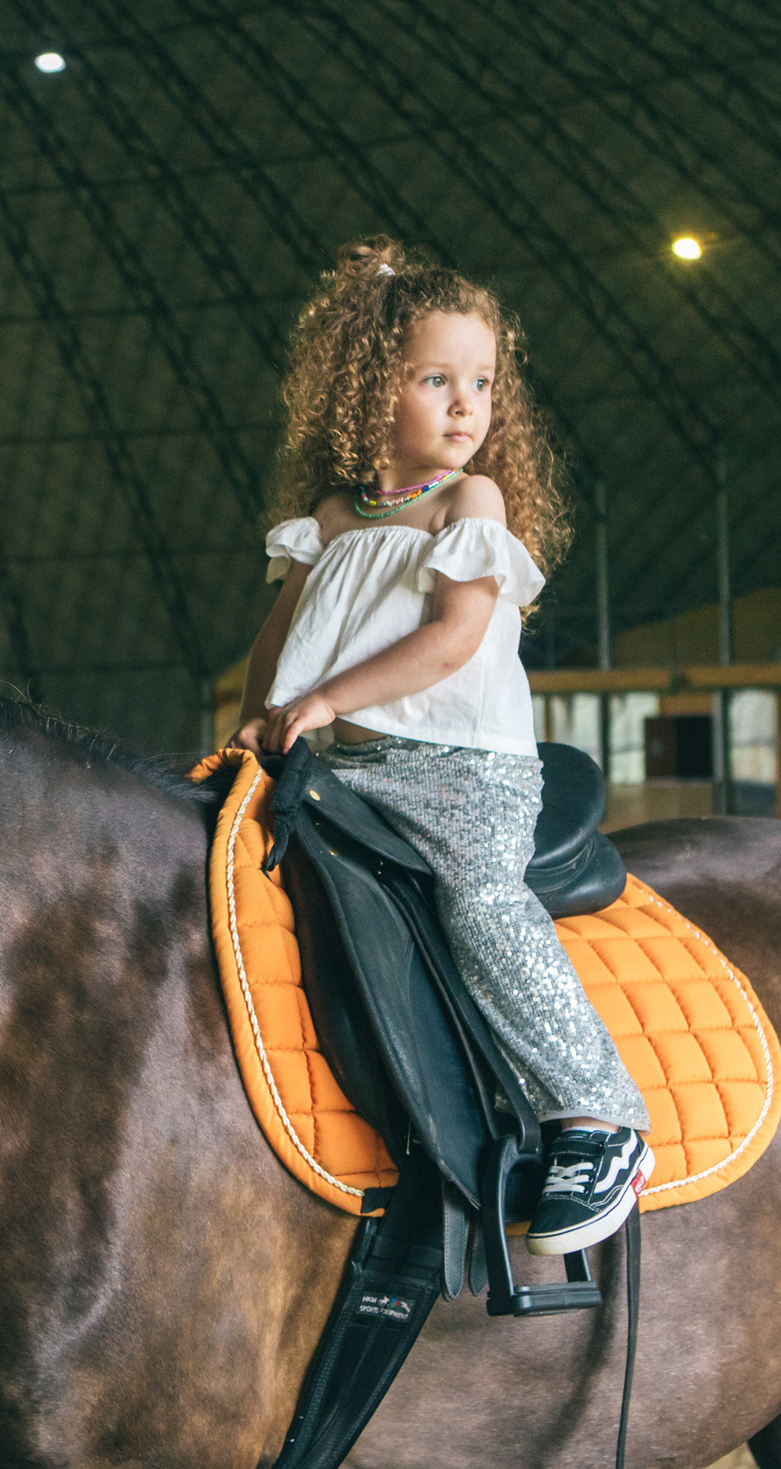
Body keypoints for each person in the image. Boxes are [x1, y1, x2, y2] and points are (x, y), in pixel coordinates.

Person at [230, 236, 652, 1256]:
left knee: (479, 903)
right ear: (369, 390)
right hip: (342, 774)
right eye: (437, 381)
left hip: (464, 776)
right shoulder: (332, 517)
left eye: (482, 384)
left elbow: (453, 638)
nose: (467, 407)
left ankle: (598, 1116)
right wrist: (253, 717)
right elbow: (278, 639)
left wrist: (327, 698)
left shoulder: (470, 503)